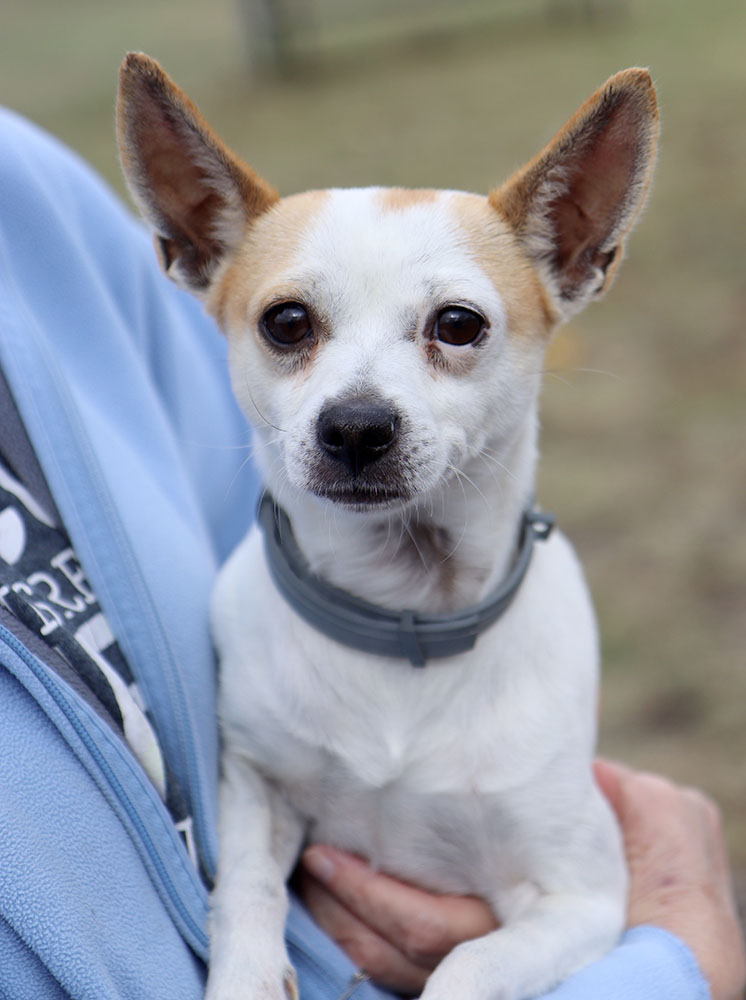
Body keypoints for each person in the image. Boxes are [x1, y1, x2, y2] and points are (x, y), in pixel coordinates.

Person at [0, 105, 742, 1000]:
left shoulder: (552, 650)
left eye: (455, 330)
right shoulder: (247, 616)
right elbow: (261, 780)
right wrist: (248, 925)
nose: (355, 409)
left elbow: (577, 903)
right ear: (198, 249)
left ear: (574, 252)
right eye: (291, 328)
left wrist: (475, 978)